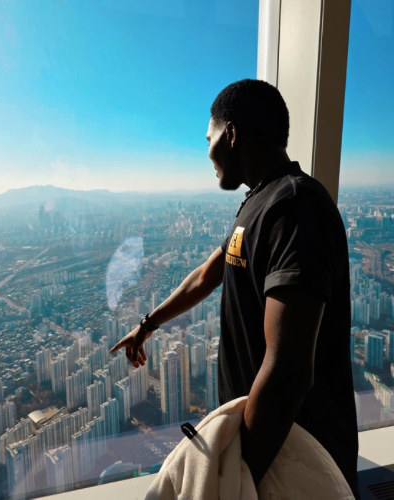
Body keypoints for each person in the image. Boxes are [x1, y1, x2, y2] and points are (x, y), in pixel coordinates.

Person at [110, 79, 358, 497]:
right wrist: (147, 325)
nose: (207, 152)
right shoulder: (261, 202)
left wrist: (239, 475)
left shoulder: (296, 208)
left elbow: (289, 370)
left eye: (208, 139)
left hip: (295, 458)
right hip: (267, 449)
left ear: (231, 134)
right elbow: (207, 274)